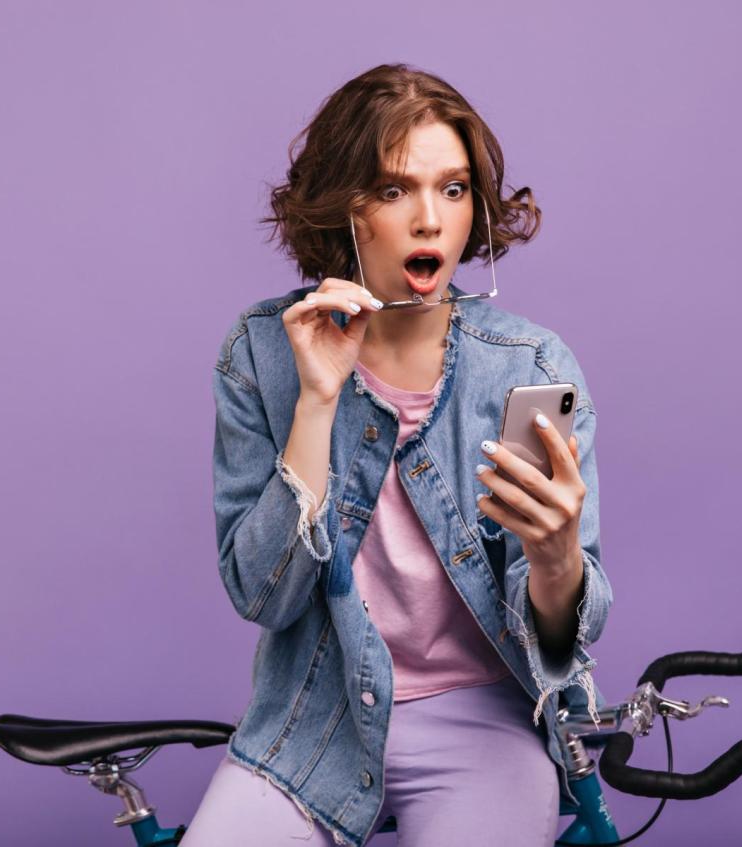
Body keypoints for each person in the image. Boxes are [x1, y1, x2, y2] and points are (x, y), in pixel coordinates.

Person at [183, 63, 613, 847]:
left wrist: (554, 558)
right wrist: (317, 399)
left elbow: (562, 638)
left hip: (486, 720)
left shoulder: (532, 369)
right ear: (344, 209)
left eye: (453, 190)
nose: (429, 220)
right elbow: (262, 596)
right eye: (393, 191)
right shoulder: (261, 352)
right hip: (314, 720)